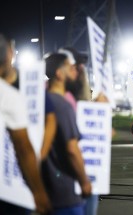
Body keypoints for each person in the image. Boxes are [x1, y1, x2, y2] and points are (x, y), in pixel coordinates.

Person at [0, 32, 51, 214]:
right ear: (9, 56)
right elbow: (23, 147)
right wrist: (38, 192)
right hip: (2, 192)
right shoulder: (8, 96)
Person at [42, 53, 92, 214]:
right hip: (66, 192)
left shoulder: (45, 101)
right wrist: (84, 181)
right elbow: (72, 149)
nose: (75, 71)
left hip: (50, 188)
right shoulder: (62, 106)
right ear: (59, 73)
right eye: (70, 68)